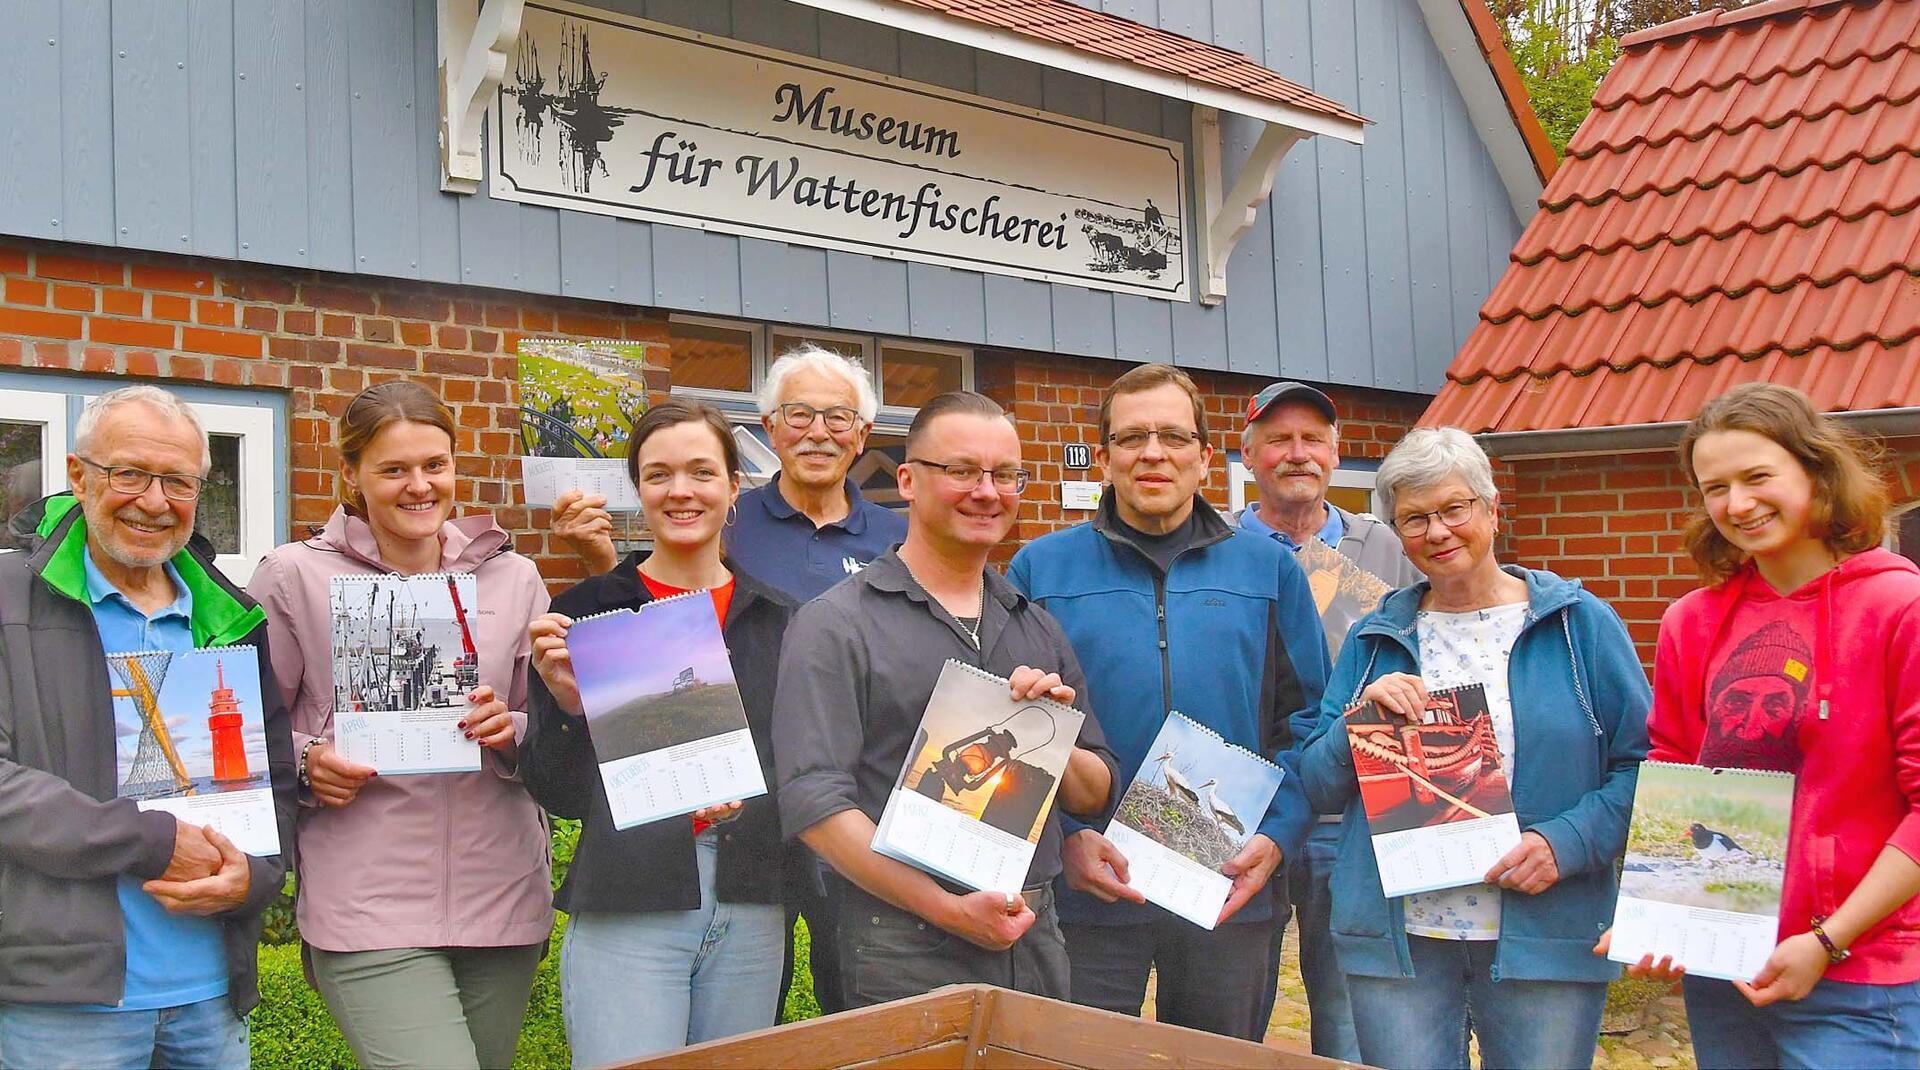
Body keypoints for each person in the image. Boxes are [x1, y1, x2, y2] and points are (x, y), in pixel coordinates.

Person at [1297, 427, 1650, 1070]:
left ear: (1491, 509)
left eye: (1454, 508)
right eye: (1415, 518)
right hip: (1401, 940)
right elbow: (1316, 785)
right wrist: (1360, 725)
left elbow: (1645, 767)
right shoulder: (1375, 637)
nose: (1438, 531)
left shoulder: (1579, 626)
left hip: (1544, 929)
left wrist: (1565, 843)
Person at [1006, 364, 1327, 1040]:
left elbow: (1307, 724)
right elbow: (1016, 726)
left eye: (1174, 437)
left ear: (1206, 458)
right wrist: (1064, 840)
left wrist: (1277, 837)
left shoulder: (1268, 570)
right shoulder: (1039, 570)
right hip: (1085, 890)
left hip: (1229, 887)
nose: (1153, 452)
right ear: (1103, 458)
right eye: (1132, 438)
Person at [1603, 384, 1920, 1068]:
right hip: (1727, 964)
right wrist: (1665, 913)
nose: (1737, 505)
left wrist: (1828, 939)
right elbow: (1681, 776)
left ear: (1816, 471)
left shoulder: (1899, 607)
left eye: (1757, 477)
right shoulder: (1691, 622)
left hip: (1860, 978)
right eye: (1714, 488)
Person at [774, 390, 1120, 1007]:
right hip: (897, 946)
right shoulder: (836, 624)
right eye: (961, 471)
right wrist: (950, 910)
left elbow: (1095, 793)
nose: (987, 491)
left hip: (1031, 936)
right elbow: (815, 806)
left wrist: (1053, 730)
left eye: (1005, 475)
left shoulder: (1034, 625)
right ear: (907, 480)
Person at [247, 382, 553, 1069]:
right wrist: (305, 760)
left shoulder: (515, 577)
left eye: (435, 465)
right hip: (367, 901)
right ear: (350, 475)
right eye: (394, 469)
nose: (420, 486)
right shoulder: (294, 576)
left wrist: (514, 729)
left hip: (501, 892)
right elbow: (249, 725)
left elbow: (550, 731)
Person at [0, 386, 296, 1068]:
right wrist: (151, 840)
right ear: (78, 476)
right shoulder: (10, 600)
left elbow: (274, 781)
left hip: (210, 998)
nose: (154, 501)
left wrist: (253, 878)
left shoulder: (229, 617)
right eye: (128, 473)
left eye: (177, 481)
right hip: (63, 1003)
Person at [522, 398, 795, 1066]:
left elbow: (806, 767)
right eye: (659, 475)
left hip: (752, 898)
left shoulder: (781, 621)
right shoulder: (587, 612)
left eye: (702, 472)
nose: (681, 492)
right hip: (630, 895)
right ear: (637, 490)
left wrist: (750, 795)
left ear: (735, 487)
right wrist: (566, 707)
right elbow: (556, 791)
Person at [1234, 379, 1420, 1060]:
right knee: (1230, 1006)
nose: (1297, 453)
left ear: (1336, 453)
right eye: (1278, 439)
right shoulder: (1215, 549)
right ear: (1249, 454)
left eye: (1313, 439)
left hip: (1356, 816)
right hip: (1245, 807)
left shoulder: (1392, 551)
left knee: (1348, 1016)